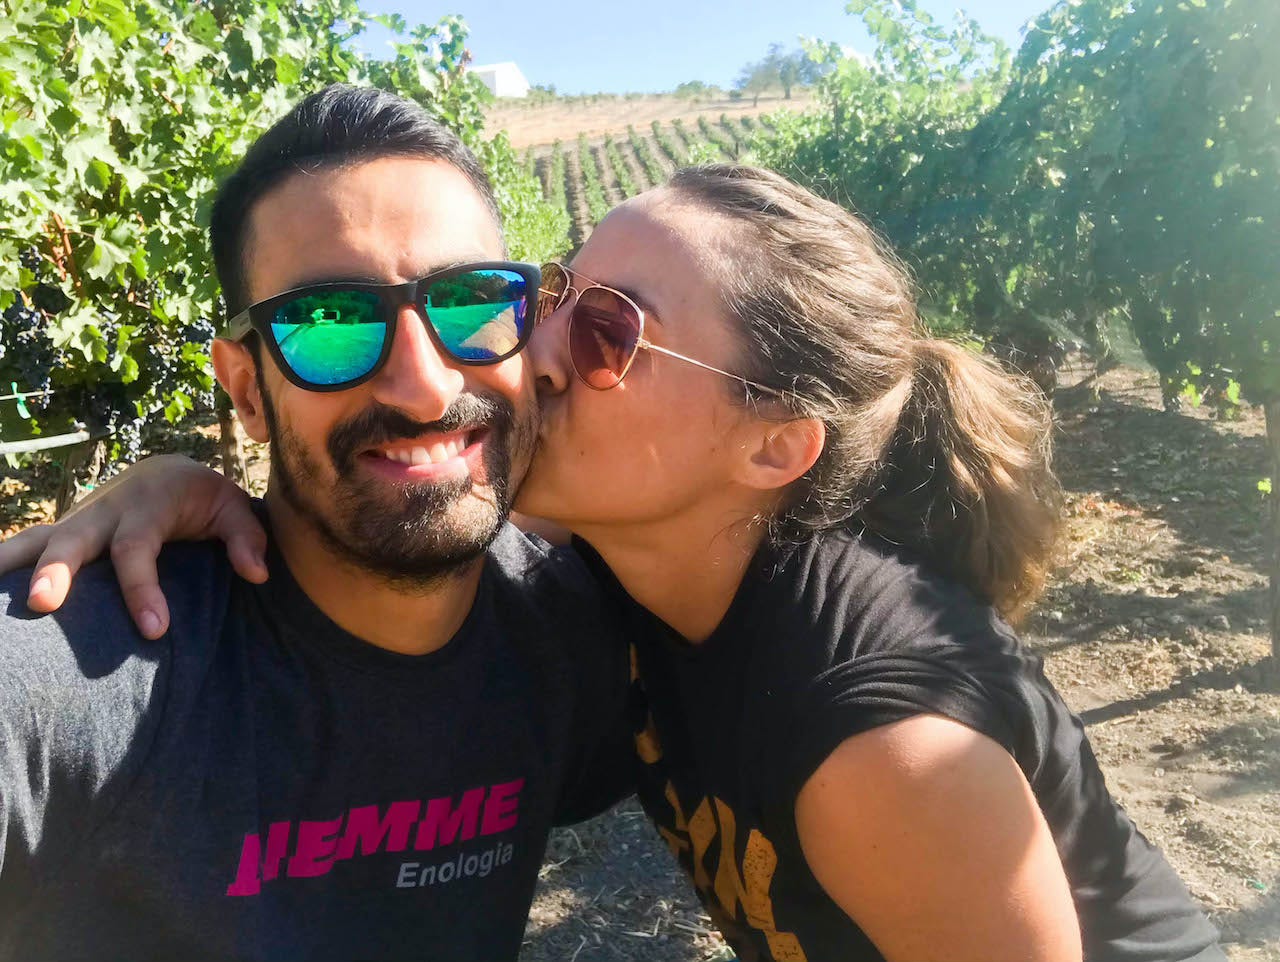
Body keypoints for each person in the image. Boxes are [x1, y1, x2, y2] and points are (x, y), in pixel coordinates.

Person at [3, 165, 1226, 961]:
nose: (524, 357)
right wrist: (185, 476)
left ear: (772, 444)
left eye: (605, 334)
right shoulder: (605, 587)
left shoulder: (881, 743)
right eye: (549, 297)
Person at [0, 84, 633, 961]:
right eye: (328, 324)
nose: (426, 386)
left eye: (468, 300)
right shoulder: (84, 665)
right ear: (248, 388)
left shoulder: (573, 642)